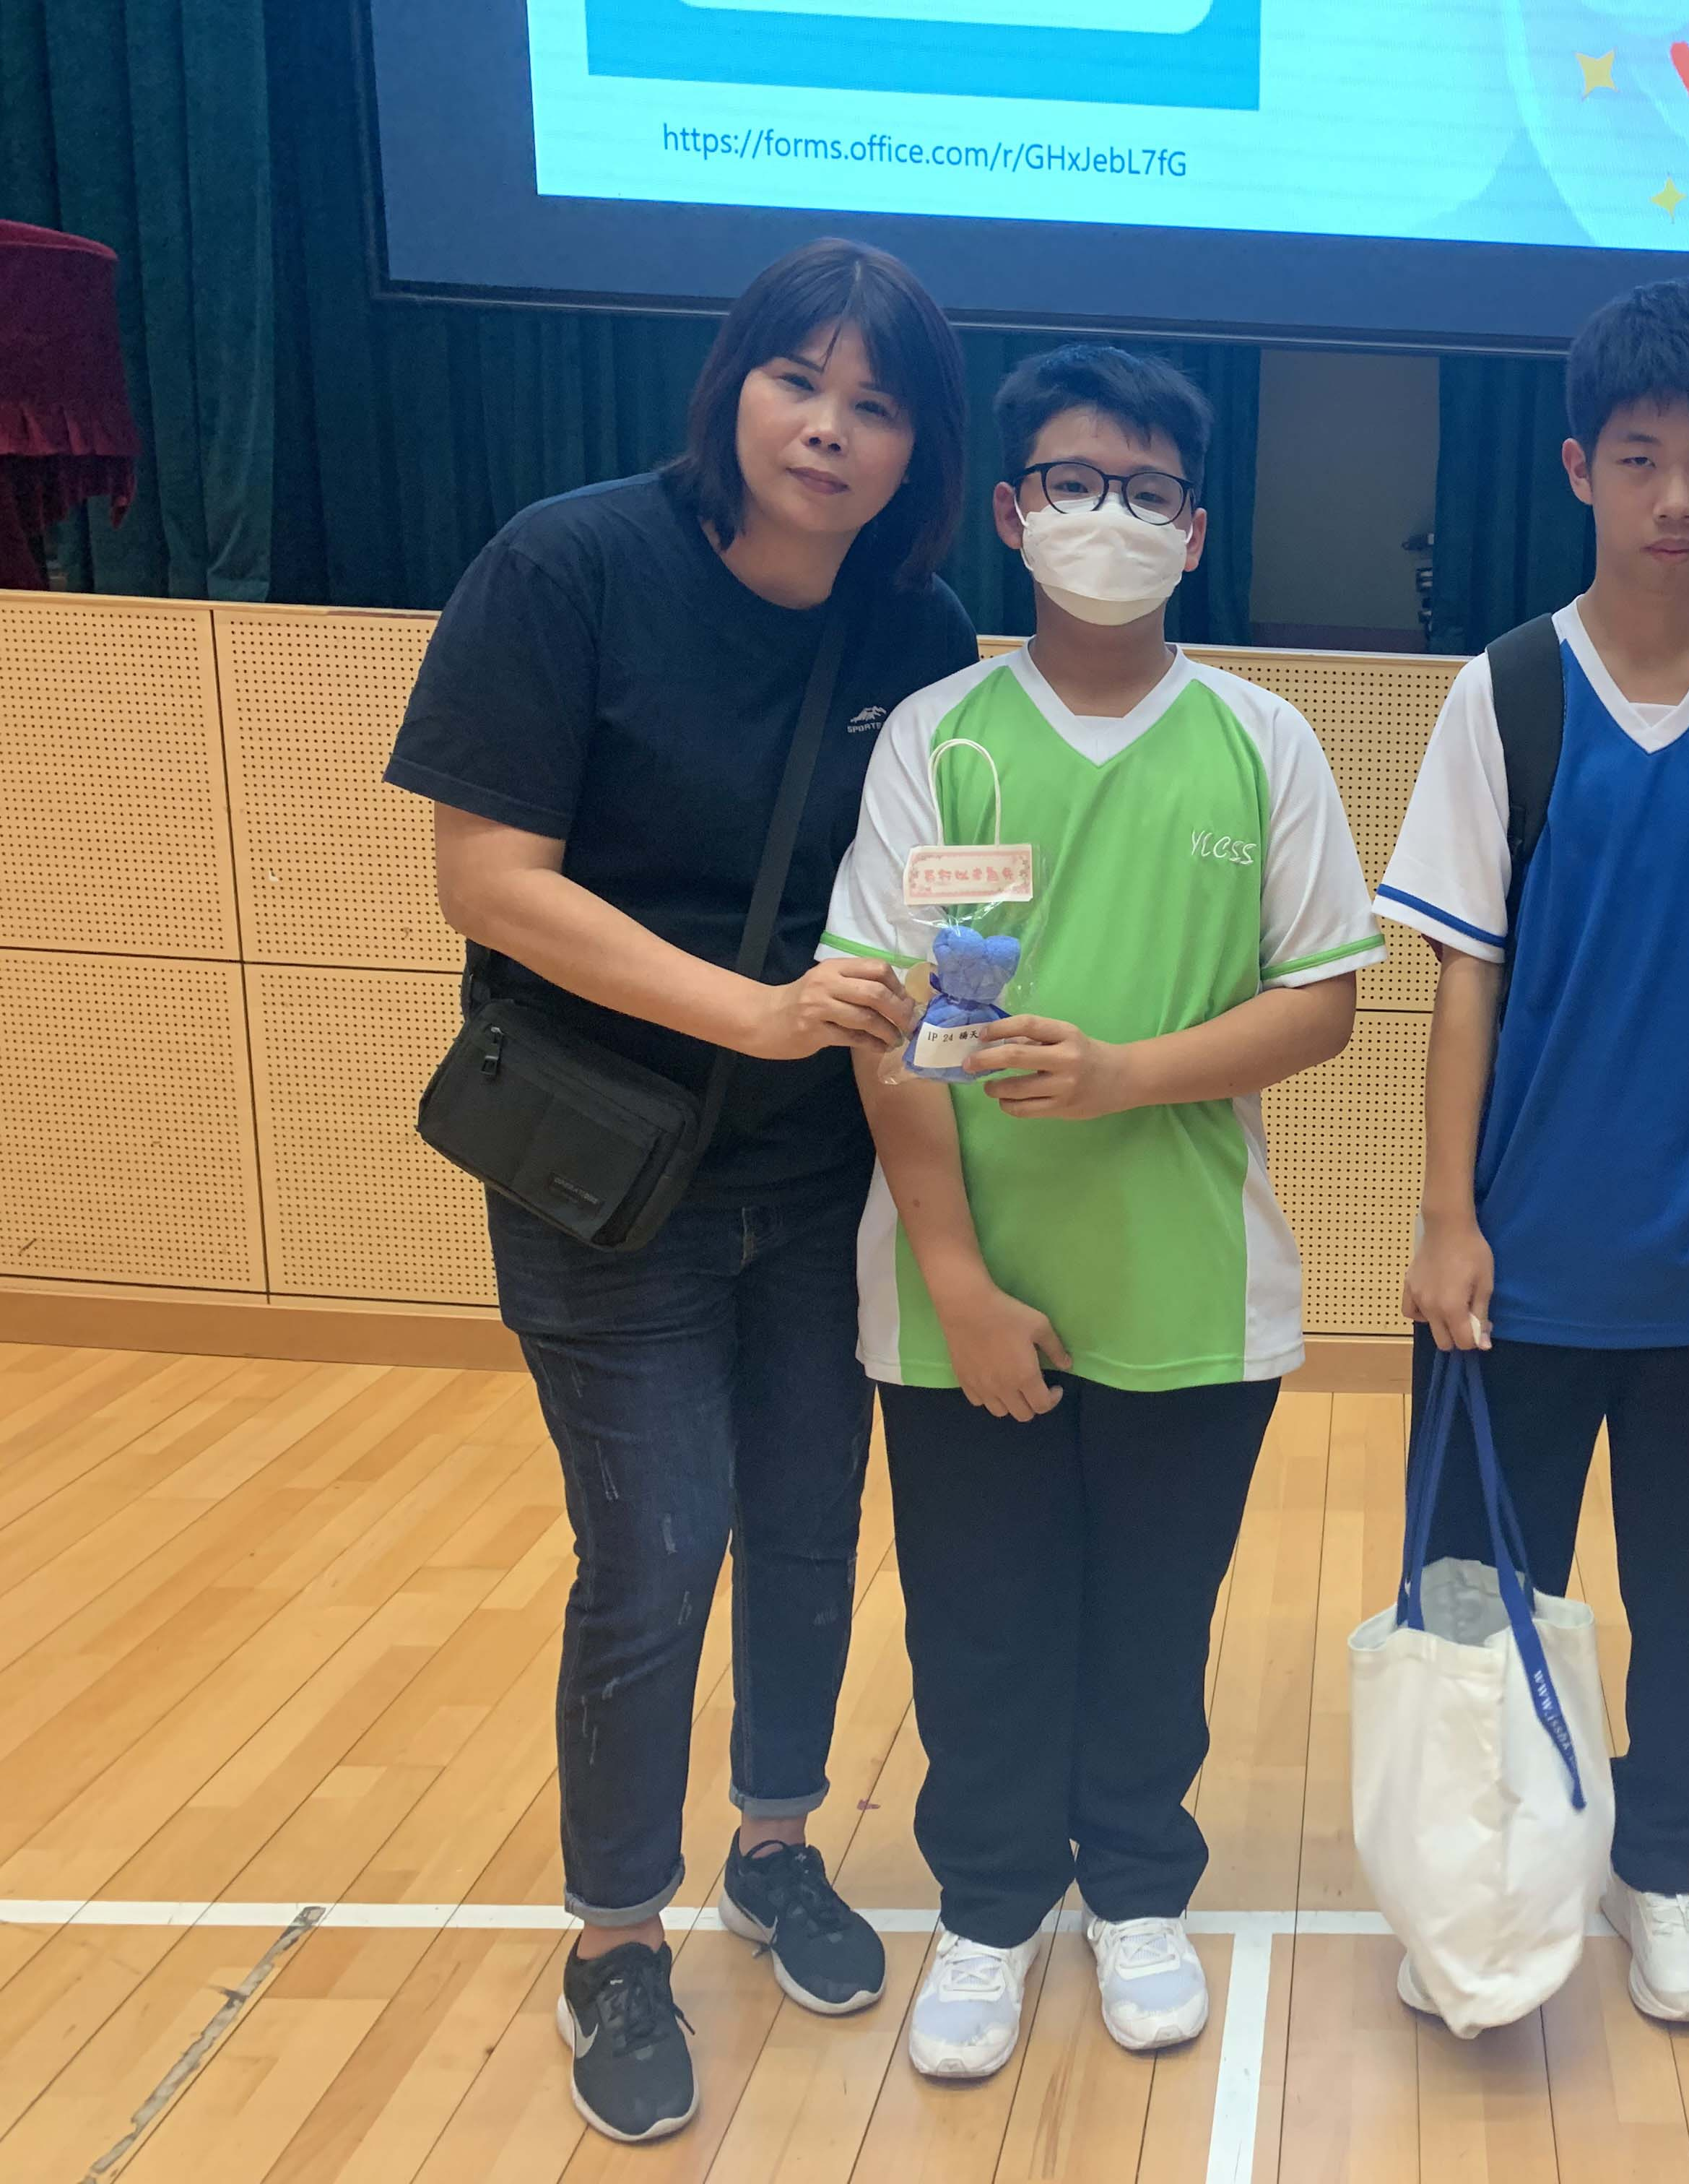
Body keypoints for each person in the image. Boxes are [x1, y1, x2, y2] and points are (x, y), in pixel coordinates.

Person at [386, 239, 978, 2144]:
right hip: (604, 1175)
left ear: (918, 449)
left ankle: (776, 1846)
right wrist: (760, 1011)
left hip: (815, 1177)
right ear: (733, 386)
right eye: (800, 381)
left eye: (877, 404)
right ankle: (615, 1940)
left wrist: (983, 1021)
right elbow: (492, 881)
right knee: (655, 1550)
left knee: (807, 1527)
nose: (830, 428)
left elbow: (943, 896)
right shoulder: (566, 566)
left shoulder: (918, 632)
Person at [822, 343, 1381, 2083]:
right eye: (1073, 484)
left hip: (1190, 1288)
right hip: (960, 1294)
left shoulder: (1261, 742)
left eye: (1146, 492)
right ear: (1011, 510)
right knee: (980, 1618)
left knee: (1154, 1618)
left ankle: (1138, 1893)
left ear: (1194, 530)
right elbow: (888, 1023)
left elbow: (1323, 1003)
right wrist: (960, 1283)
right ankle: (989, 1912)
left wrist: (1129, 1073)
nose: (1108, 518)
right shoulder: (942, 741)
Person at [1378, 279, 1689, 2024]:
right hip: (1516, 1266)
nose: (1677, 496)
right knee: (1477, 1598)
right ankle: (1477, 1880)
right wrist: (1446, 1218)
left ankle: (1661, 1870)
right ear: (1580, 466)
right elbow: (1463, 981)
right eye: (1643, 457)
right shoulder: (1508, 693)